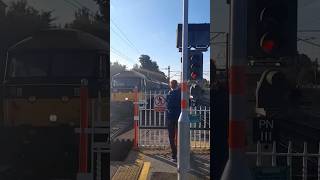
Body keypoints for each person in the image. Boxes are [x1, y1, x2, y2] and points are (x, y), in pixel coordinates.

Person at [166, 80, 181, 162]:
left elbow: (169, 104)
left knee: (171, 137)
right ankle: (180, 154)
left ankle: (174, 155)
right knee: (180, 136)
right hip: (179, 116)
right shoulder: (180, 93)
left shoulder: (170, 93)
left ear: (171, 85)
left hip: (171, 117)